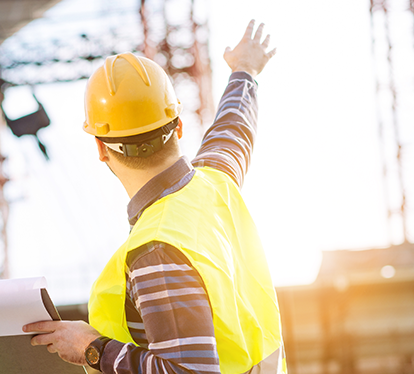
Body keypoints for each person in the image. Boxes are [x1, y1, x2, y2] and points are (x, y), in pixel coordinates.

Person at [24, 20, 284, 374]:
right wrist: (244, 71)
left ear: (101, 149)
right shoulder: (214, 185)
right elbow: (233, 130)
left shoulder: (157, 249)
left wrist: (92, 349)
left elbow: (189, 371)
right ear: (177, 126)